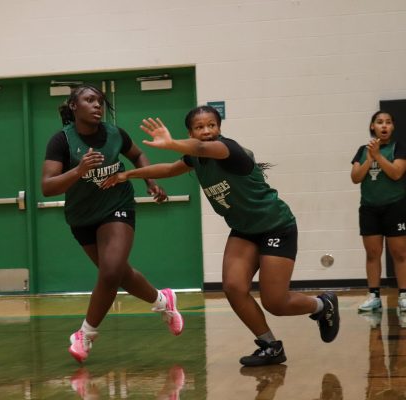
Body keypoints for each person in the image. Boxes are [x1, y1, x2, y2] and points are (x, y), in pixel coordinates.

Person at [101, 105, 340, 366]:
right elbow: (169, 169)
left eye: (211, 125)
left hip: (276, 226)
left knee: (275, 302)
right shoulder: (195, 158)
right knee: (234, 288)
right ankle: (270, 345)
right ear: (190, 131)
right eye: (199, 127)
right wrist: (127, 174)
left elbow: (202, 148)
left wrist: (171, 143)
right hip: (244, 230)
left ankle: (322, 305)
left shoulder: (228, 150)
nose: (206, 131)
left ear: (219, 128)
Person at [41, 84, 184, 363]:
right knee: (117, 273)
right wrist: (79, 170)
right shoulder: (61, 141)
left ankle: (85, 334)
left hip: (117, 207)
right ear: (74, 106)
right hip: (82, 217)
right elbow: (48, 187)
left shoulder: (115, 134)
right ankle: (163, 301)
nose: (97, 105)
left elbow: (137, 155)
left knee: (110, 272)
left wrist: (149, 180)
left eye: (101, 101)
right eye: (90, 100)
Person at [350, 110, 406, 313]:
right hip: (369, 208)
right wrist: (369, 158)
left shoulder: (399, 148)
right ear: (372, 126)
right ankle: (373, 295)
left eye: (388, 122)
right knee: (372, 253)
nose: (384, 125)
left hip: (395, 206)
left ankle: (404, 295)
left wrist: (378, 156)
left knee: (400, 253)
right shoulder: (362, 150)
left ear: (393, 127)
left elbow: (396, 173)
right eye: (380, 122)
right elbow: (355, 177)